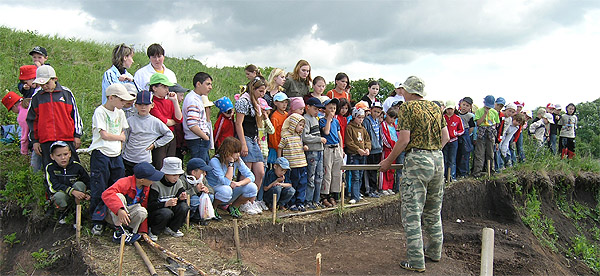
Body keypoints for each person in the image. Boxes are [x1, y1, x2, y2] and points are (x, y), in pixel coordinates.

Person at [379, 76, 449, 273]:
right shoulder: (436, 108)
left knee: (412, 212)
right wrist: (432, 152)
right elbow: (446, 137)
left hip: (417, 160)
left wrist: (388, 161)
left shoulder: (407, 108)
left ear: (408, 91)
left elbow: (403, 140)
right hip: (437, 159)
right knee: (433, 210)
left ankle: (416, 260)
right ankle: (435, 251)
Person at [89, 83, 135, 235]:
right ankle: (97, 221)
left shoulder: (120, 113)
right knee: (99, 188)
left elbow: (123, 132)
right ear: (111, 97)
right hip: (101, 153)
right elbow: (104, 134)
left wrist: (120, 142)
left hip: (116, 154)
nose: (123, 103)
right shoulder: (100, 112)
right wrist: (119, 137)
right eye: (121, 100)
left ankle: (113, 219)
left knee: (116, 189)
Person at [26, 65, 83, 168]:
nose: (45, 87)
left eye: (47, 83)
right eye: (42, 84)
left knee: (72, 167)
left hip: (66, 138)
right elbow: (32, 120)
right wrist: (35, 141)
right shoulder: (36, 97)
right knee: (50, 168)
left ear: (55, 79)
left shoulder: (66, 93)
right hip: (46, 140)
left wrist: (77, 135)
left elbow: (75, 115)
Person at [102, 162, 164, 245]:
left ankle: (130, 232)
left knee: (142, 211)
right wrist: (120, 209)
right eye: (151, 179)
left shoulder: (146, 188)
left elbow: (144, 205)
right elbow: (106, 194)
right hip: (114, 215)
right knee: (118, 196)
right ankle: (118, 232)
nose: (153, 181)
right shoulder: (124, 182)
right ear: (142, 180)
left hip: (129, 216)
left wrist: (143, 230)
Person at [235, 76, 267, 214]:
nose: (262, 94)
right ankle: (242, 201)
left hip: (254, 138)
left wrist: (258, 139)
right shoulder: (243, 101)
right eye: (260, 91)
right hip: (245, 138)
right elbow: (238, 123)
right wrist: (243, 144)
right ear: (253, 89)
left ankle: (251, 200)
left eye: (264, 91)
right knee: (246, 172)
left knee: (260, 172)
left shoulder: (256, 102)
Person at [122, 90, 174, 176]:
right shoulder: (129, 121)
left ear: (152, 105)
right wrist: (122, 153)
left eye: (146, 105)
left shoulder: (155, 122)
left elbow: (169, 135)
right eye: (140, 105)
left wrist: (155, 144)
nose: (143, 107)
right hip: (129, 158)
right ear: (135, 105)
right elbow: (125, 138)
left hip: (145, 159)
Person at [205, 137, 258, 219]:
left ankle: (234, 207)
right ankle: (214, 208)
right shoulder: (215, 161)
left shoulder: (238, 160)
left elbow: (251, 176)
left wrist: (239, 183)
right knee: (226, 190)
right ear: (228, 152)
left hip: (230, 189)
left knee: (252, 187)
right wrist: (230, 164)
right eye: (236, 152)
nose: (238, 155)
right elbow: (225, 181)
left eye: (238, 152)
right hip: (216, 189)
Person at [45, 141, 90, 223]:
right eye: (59, 155)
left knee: (79, 184)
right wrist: (72, 191)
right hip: (64, 193)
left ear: (70, 154)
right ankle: (64, 212)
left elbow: (87, 181)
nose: (63, 158)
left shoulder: (77, 166)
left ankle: (79, 214)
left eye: (65, 154)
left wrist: (88, 193)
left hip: (78, 195)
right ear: (52, 156)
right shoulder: (50, 168)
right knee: (58, 196)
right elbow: (53, 186)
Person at [147, 157, 189, 241]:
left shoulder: (179, 183)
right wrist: (165, 204)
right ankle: (154, 231)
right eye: (173, 175)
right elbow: (150, 205)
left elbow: (181, 201)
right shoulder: (156, 184)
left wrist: (181, 198)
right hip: (158, 212)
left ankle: (172, 228)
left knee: (184, 207)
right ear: (165, 173)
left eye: (178, 175)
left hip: (172, 211)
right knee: (166, 212)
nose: (176, 178)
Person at [149, 73, 182, 169]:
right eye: (164, 87)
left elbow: (179, 119)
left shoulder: (169, 102)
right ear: (154, 88)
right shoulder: (152, 103)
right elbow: (164, 122)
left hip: (171, 135)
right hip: (159, 136)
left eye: (167, 87)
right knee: (160, 164)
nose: (167, 90)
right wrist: (173, 121)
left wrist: (175, 101)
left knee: (170, 163)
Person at [279, 113, 308, 211]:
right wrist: (280, 161)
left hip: (302, 163)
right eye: (300, 125)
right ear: (293, 124)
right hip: (292, 165)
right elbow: (280, 147)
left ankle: (300, 202)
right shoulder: (285, 136)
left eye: (303, 126)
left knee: (302, 184)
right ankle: (292, 203)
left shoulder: (299, 136)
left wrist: (304, 147)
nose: (301, 128)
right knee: (293, 184)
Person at [183, 72, 213, 163]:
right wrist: (205, 137)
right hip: (197, 140)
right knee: (199, 169)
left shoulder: (196, 98)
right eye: (208, 84)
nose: (210, 87)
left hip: (199, 139)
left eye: (211, 84)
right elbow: (192, 125)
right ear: (198, 84)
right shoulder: (193, 100)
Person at [303, 97, 326, 209]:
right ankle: (308, 200)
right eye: (315, 108)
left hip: (319, 150)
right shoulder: (305, 119)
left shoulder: (315, 119)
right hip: (312, 151)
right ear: (308, 107)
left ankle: (316, 200)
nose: (317, 111)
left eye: (318, 109)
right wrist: (319, 139)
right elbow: (305, 136)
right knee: (311, 177)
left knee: (319, 176)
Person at [319, 98, 343, 207]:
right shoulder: (322, 120)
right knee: (327, 171)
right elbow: (326, 132)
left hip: (336, 148)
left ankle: (334, 194)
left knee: (337, 172)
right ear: (325, 109)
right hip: (328, 148)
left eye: (334, 108)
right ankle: (325, 195)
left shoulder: (337, 121)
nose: (332, 110)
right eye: (330, 108)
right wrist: (328, 119)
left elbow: (339, 135)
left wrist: (341, 148)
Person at [345, 107, 371, 204]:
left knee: (360, 175)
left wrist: (367, 148)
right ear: (354, 116)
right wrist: (357, 149)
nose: (361, 119)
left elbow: (367, 140)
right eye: (359, 117)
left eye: (362, 117)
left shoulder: (363, 129)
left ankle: (357, 193)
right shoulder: (350, 127)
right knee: (355, 175)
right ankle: (354, 195)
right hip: (354, 155)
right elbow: (349, 142)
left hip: (362, 155)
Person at [472, 95, 500, 176]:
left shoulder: (494, 112)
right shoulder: (479, 111)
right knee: (479, 153)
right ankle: (477, 172)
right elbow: (478, 123)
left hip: (491, 133)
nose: (488, 108)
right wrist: (485, 114)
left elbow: (497, 124)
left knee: (490, 153)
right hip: (481, 133)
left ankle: (490, 171)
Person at [180, 158, 212, 224]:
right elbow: (182, 194)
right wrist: (195, 189)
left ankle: (201, 217)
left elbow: (211, 189)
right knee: (194, 200)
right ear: (193, 172)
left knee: (210, 196)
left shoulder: (202, 179)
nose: (205, 174)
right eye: (202, 172)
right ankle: (188, 218)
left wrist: (207, 189)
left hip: (199, 200)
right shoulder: (183, 180)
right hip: (189, 202)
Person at [362, 101, 383, 197]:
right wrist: (367, 147)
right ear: (371, 110)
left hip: (378, 148)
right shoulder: (366, 121)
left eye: (378, 112)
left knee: (375, 170)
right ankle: (368, 189)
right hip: (370, 149)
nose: (376, 114)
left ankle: (374, 188)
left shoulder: (378, 121)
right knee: (368, 170)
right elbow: (366, 136)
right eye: (374, 111)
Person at [2, 91, 29, 156]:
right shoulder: (30, 103)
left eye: (11, 109)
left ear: (13, 106)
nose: (13, 112)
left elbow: (25, 135)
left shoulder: (22, 116)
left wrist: (24, 151)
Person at [442, 100, 464, 180]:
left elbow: (462, 130)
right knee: (444, 159)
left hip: (454, 141)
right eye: (448, 109)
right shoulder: (442, 118)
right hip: (444, 141)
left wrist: (456, 133)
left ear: (454, 109)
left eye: (451, 109)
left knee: (452, 160)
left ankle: (452, 176)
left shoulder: (457, 118)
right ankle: (444, 177)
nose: (449, 111)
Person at [268, 92, 289, 165]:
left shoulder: (286, 114)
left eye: (286, 102)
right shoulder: (275, 117)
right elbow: (272, 135)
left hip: (284, 146)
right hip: (275, 147)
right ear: (275, 103)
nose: (284, 104)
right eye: (282, 102)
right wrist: (277, 147)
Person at [456, 97, 475, 178]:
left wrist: (467, 134)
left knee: (465, 153)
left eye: (467, 105)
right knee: (458, 153)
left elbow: (472, 127)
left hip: (465, 134)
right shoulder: (457, 114)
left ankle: (464, 172)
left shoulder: (470, 116)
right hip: (457, 133)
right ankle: (457, 171)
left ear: (470, 107)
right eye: (463, 105)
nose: (464, 107)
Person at [380, 109, 398, 194]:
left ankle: (390, 186)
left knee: (392, 169)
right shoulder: (383, 125)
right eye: (391, 117)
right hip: (387, 149)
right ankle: (384, 187)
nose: (392, 120)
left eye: (394, 118)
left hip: (394, 150)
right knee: (385, 168)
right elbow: (384, 137)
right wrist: (391, 146)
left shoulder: (395, 126)